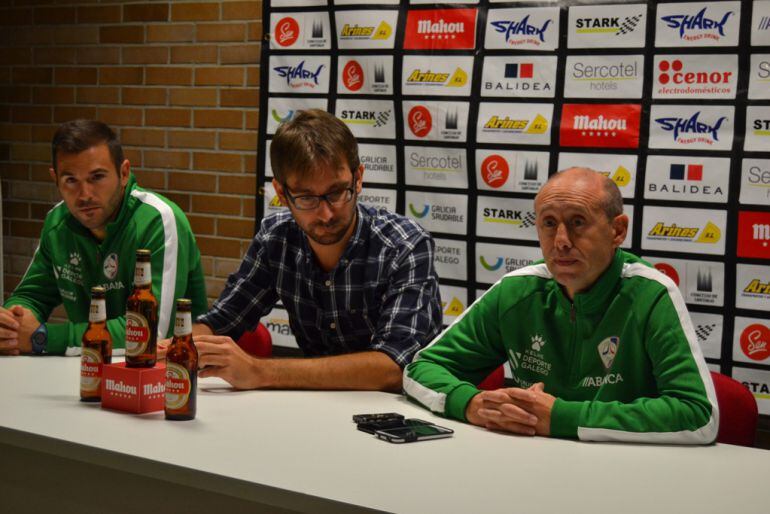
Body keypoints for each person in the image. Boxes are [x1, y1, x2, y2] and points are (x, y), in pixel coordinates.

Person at [404, 167, 719, 444]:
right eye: (549, 223)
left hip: (627, 473)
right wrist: (471, 403)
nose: (561, 241)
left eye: (578, 222)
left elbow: (698, 415)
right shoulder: (517, 291)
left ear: (617, 230)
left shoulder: (651, 294)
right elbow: (420, 369)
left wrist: (561, 417)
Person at [192, 109, 442, 392]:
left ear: (358, 178)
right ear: (281, 193)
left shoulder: (405, 245)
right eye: (307, 198)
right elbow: (221, 322)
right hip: (315, 409)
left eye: (336, 192)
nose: (325, 214)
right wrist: (180, 349)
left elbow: (393, 368)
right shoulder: (276, 238)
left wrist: (260, 371)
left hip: (401, 413)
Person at [0, 119, 207, 356]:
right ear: (55, 179)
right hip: (85, 369)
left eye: (97, 177)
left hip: (166, 378)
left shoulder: (158, 220)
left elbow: (150, 333)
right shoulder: (57, 223)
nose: (84, 195)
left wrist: (44, 338)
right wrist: (10, 327)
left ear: (124, 173)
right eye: (71, 180)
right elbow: (31, 296)